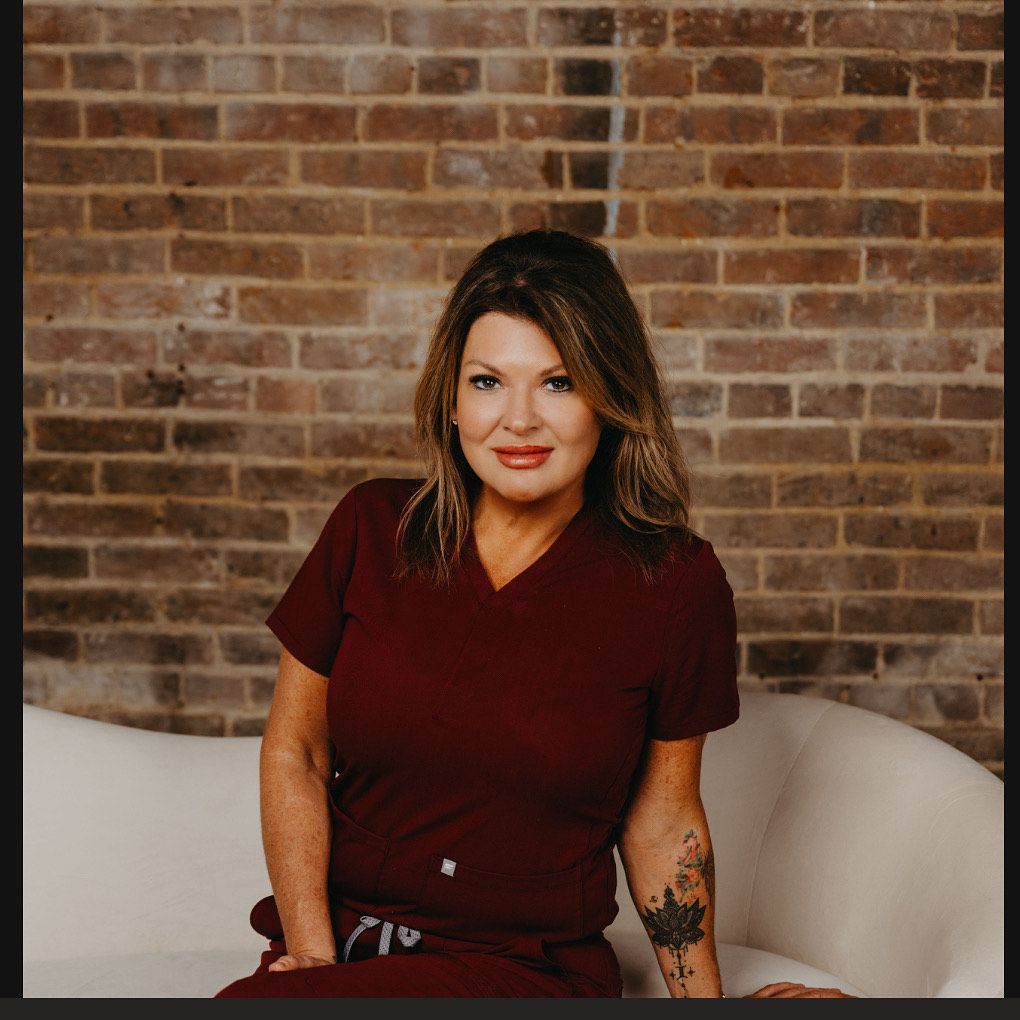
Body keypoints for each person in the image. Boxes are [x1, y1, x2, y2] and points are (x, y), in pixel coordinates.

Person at [215, 230, 852, 999]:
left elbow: (663, 820)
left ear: (609, 400)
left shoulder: (674, 585)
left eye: (558, 383)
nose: (518, 420)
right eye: (488, 382)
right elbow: (298, 753)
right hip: (339, 955)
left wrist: (701, 1005)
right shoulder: (368, 528)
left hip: (522, 970)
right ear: (450, 398)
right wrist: (313, 956)